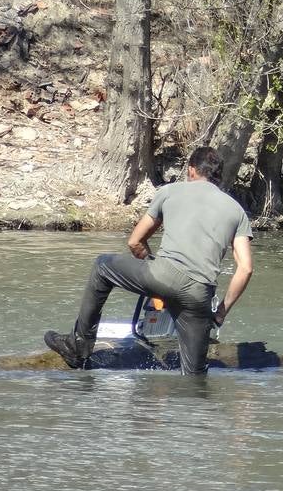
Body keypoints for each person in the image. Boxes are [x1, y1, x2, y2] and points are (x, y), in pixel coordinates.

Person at [44, 146, 254, 376]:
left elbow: (135, 242)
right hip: (199, 294)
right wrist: (221, 312)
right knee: (194, 375)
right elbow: (245, 269)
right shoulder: (236, 210)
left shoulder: (170, 191)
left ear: (191, 170)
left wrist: (153, 267)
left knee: (102, 266)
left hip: (161, 275)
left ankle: (78, 347)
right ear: (218, 175)